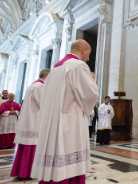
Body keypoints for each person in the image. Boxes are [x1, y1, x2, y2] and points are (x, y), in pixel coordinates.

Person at [31, 39, 99, 184]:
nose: (89, 57)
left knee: (55, 157)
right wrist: (91, 80)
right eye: (89, 53)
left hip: (52, 121)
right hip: (70, 120)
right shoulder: (79, 66)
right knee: (68, 156)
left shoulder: (55, 69)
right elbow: (90, 95)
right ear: (83, 50)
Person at [10, 69, 50, 179]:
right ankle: (29, 173)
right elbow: (43, 104)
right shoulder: (40, 87)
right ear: (46, 77)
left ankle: (23, 171)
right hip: (34, 121)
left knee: (27, 147)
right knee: (31, 147)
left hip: (30, 121)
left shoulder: (32, 85)